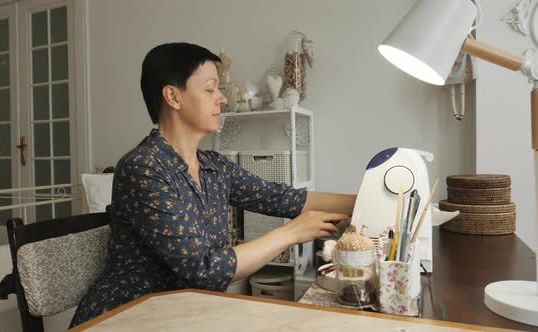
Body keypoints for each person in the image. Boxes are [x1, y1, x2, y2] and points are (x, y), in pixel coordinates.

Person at [70, 43, 356, 327]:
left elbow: (284, 199)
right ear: (173, 96)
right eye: (209, 89)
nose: (221, 98)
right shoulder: (143, 168)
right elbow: (203, 269)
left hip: (187, 315)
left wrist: (370, 200)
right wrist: (291, 233)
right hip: (126, 317)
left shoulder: (214, 167)